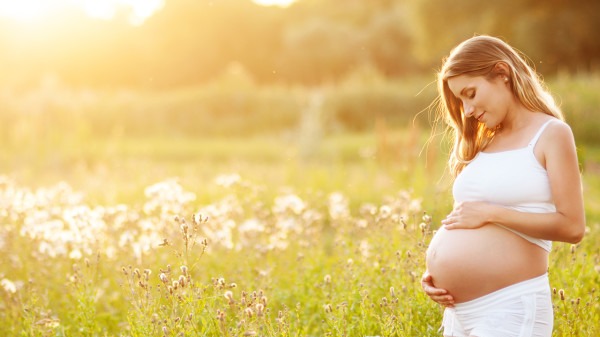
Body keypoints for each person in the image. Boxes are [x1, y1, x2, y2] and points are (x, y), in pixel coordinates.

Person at [420, 35, 586, 337]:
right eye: (460, 100)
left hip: (510, 308)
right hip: (460, 313)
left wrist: (492, 213)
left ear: (502, 73)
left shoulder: (551, 134)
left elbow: (573, 227)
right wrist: (436, 274)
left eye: (470, 93)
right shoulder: (484, 143)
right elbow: (468, 217)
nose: (467, 110)